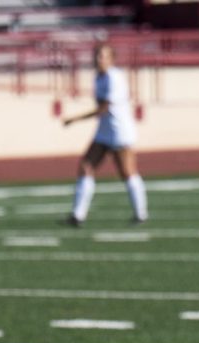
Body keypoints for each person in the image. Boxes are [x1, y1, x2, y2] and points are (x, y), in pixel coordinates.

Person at [62, 42, 147, 226]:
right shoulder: (98, 78)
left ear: (112, 59)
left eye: (103, 56)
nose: (98, 59)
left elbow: (103, 108)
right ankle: (78, 215)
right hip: (104, 130)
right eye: (97, 55)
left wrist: (75, 119)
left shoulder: (114, 78)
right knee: (86, 166)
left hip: (119, 131)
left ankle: (140, 213)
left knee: (127, 172)